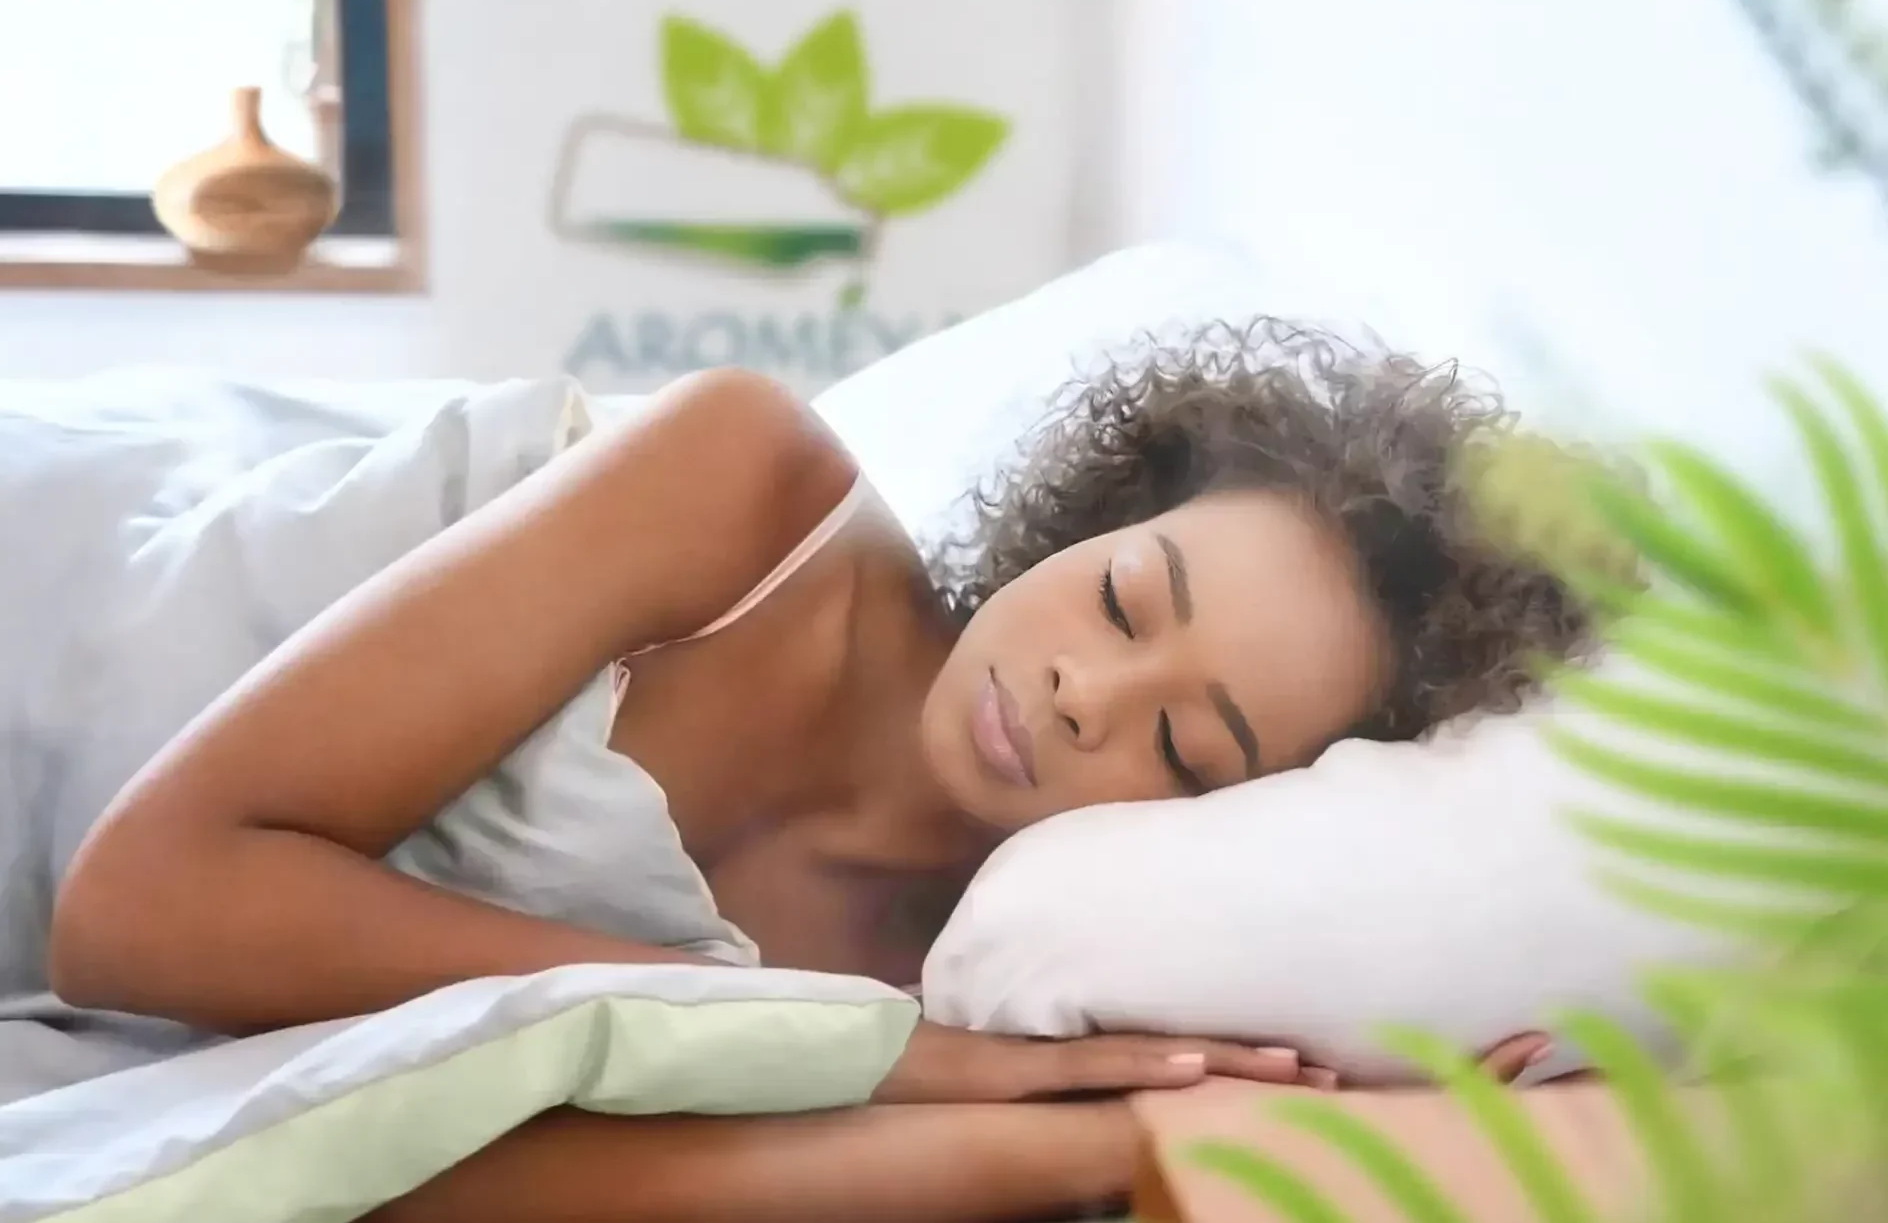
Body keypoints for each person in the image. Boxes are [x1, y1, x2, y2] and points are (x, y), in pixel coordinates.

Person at [44, 321, 1591, 1222]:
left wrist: (1116, 1130)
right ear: (1104, 513)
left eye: (1186, 750)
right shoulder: (742, 486)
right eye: (1125, 597)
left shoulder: (1000, 986)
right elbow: (138, 907)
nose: (1082, 691)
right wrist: (828, 1045)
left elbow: (428, 1170)